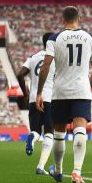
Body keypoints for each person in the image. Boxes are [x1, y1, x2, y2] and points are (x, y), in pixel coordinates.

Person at [36, 7, 92, 183]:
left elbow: (45, 67)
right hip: (81, 89)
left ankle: (58, 170)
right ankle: (77, 172)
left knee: (59, 132)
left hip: (60, 91)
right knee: (80, 129)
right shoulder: (90, 38)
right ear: (78, 19)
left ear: (62, 19)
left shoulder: (54, 38)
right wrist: (87, 86)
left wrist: (40, 92)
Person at [16, 32, 55, 174]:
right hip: (49, 98)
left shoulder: (33, 57)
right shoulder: (54, 58)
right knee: (50, 133)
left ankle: (32, 138)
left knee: (36, 131)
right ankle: (40, 166)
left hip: (33, 99)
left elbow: (20, 74)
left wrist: (26, 94)